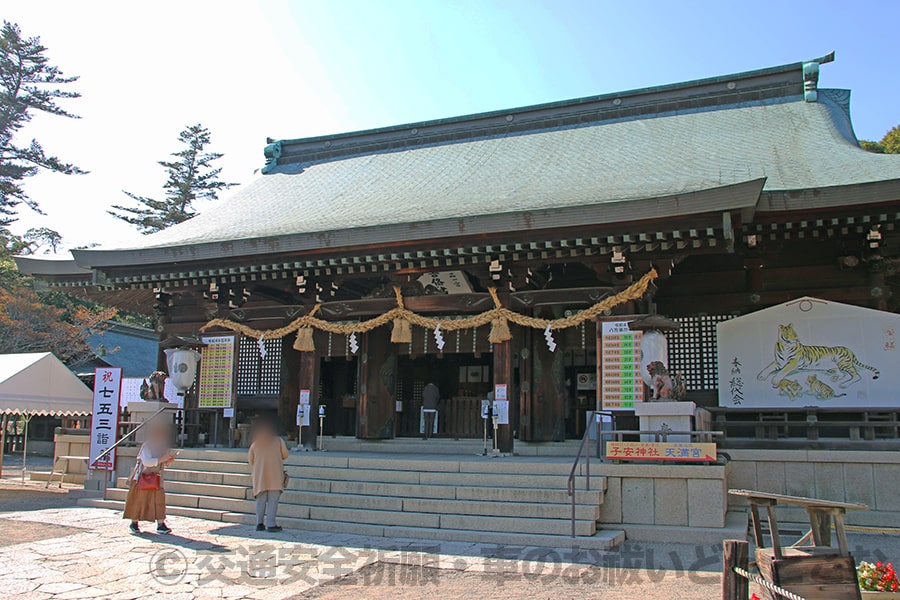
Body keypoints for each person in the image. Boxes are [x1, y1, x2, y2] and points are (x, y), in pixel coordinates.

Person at [123, 420, 176, 534]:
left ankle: (161, 524)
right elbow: (147, 461)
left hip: (156, 477)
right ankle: (134, 523)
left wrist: (168, 460)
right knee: (138, 500)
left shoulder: (162, 447)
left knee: (159, 501)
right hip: (143, 477)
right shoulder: (147, 446)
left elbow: (163, 462)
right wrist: (163, 459)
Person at [248, 418, 288, 532]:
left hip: (259, 476)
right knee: (273, 500)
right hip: (275, 474)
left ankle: (259, 523)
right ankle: (271, 523)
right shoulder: (279, 441)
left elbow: (251, 461)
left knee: (260, 500)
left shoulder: (255, 444)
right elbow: (285, 455)